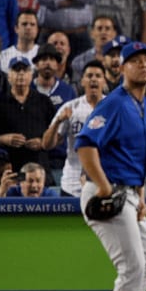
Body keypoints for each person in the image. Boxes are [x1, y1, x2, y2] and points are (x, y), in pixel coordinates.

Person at [76, 41, 146, 291]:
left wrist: (142, 197)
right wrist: (103, 186)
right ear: (122, 67)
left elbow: (140, 159)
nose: (143, 65)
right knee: (133, 268)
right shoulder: (114, 103)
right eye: (135, 60)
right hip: (107, 192)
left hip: (130, 195)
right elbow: (85, 145)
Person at [41, 60, 105, 197]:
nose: (93, 79)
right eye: (89, 76)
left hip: (104, 182)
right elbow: (46, 144)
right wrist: (58, 121)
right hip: (72, 185)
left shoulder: (113, 109)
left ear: (104, 82)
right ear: (82, 81)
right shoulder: (70, 107)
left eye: (98, 76)